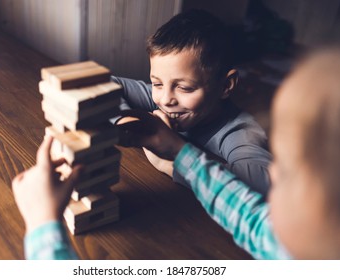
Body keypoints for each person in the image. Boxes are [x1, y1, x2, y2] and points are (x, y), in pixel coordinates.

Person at [13, 46, 340, 259]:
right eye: (156, 83)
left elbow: (257, 182)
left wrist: (43, 223)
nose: (165, 99)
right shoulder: (291, 246)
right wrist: (176, 149)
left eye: (285, 169)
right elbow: (251, 217)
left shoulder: (243, 135)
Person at [112, 9, 272, 197]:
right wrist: (127, 122)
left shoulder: (240, 132)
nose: (165, 100)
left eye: (185, 88)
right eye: (157, 83)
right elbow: (104, 87)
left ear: (226, 86)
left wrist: (169, 164)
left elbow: (262, 182)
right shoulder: (168, 100)